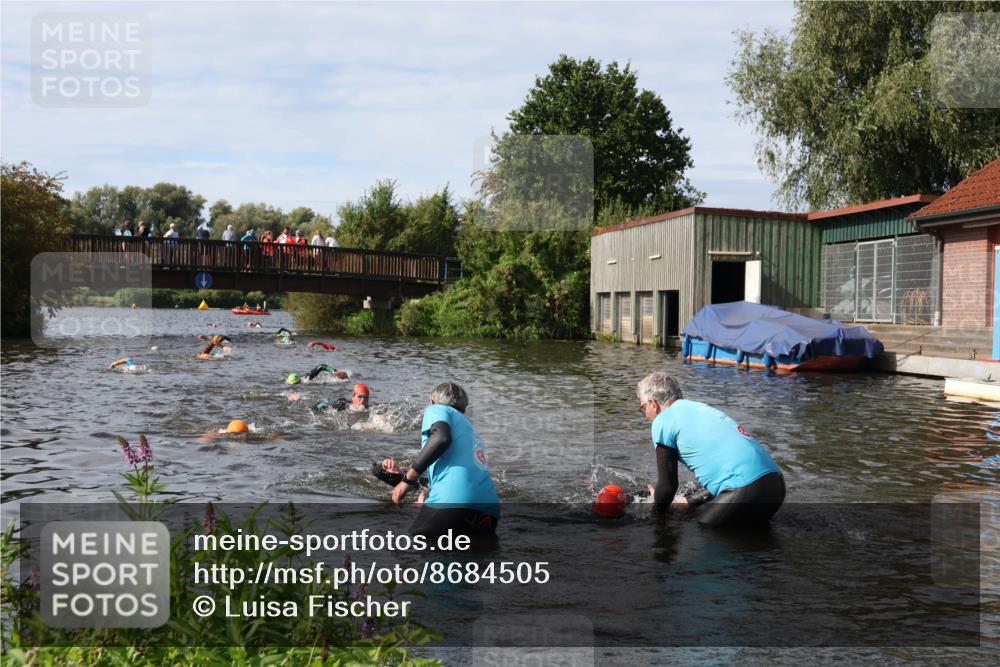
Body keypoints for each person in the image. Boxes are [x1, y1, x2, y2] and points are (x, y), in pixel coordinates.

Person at [638, 372, 785, 527]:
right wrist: (688, 502)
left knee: (705, 532)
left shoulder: (663, 419)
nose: (645, 415)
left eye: (643, 408)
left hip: (746, 490)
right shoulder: (701, 408)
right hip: (775, 485)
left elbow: (667, 487)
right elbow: (725, 475)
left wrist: (654, 512)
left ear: (653, 403)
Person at [389, 382, 500, 538]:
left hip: (454, 502)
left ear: (432, 402)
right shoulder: (470, 427)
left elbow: (441, 438)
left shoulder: (438, 409)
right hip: (490, 511)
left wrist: (407, 481)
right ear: (464, 409)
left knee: (410, 551)